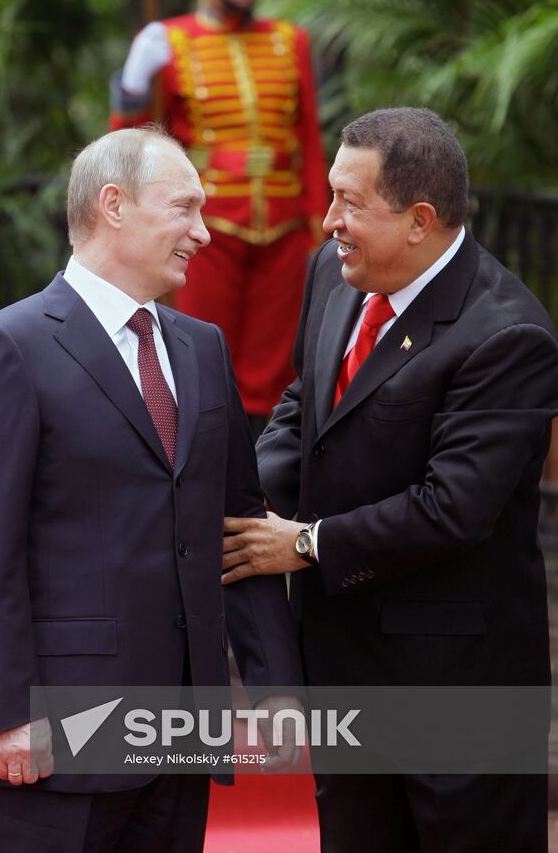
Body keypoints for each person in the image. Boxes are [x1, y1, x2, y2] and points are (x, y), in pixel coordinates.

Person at [0, 126, 303, 853]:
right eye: (185, 209)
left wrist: (275, 684)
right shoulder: (8, 347)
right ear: (113, 205)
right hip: (59, 734)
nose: (203, 232)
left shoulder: (203, 347)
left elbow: (237, 523)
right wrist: (7, 713)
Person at [222, 107, 558, 852]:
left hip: (457, 690)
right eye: (331, 194)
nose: (326, 221)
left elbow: (452, 509)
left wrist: (305, 543)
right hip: (343, 670)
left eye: (349, 202)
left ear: (419, 220)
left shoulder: (507, 335)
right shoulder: (336, 276)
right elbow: (308, 403)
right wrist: (238, 496)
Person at [109, 0, 327, 436]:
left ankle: (263, 473)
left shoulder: (290, 41)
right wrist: (132, 90)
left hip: (281, 228)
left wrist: (318, 224)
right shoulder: (171, 42)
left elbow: (307, 137)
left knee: (275, 365)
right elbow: (135, 147)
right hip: (205, 226)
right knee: (201, 351)